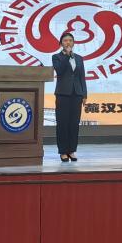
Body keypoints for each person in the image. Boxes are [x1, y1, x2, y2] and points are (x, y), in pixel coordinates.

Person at [52, 32, 87, 162]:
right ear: (61, 43)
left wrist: (84, 94)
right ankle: (63, 151)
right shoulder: (56, 57)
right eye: (65, 40)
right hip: (63, 94)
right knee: (62, 123)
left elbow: (82, 77)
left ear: (73, 43)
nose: (68, 42)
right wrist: (66, 56)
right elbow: (59, 71)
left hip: (77, 94)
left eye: (70, 40)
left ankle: (71, 150)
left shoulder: (79, 58)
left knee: (74, 124)